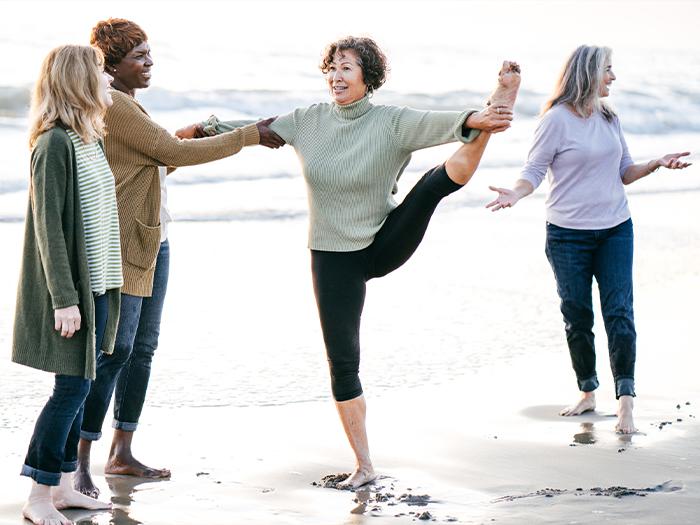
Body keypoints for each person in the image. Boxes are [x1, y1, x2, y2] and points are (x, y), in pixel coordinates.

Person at [186, 36, 520, 488]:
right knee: (342, 361)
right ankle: (364, 466)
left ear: (367, 76)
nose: (337, 77)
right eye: (333, 68)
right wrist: (198, 131)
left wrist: (476, 119)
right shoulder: (307, 121)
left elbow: (439, 122)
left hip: (383, 240)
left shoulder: (392, 122)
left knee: (432, 185)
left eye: (347, 68)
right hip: (332, 256)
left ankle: (494, 115)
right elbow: (253, 128)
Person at [74, 18, 284, 499]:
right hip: (124, 244)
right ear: (112, 63)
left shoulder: (129, 103)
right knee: (114, 352)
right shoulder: (114, 103)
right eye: (140, 56)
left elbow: (154, 158)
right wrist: (250, 134)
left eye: (150, 54)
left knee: (141, 349)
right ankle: (80, 459)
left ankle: (121, 452)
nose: (150, 63)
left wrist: (185, 134)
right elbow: (170, 152)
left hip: (154, 237)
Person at [486, 45, 691, 434]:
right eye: (608, 70)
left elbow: (625, 172)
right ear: (588, 73)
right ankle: (587, 391)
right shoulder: (555, 121)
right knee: (577, 315)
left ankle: (625, 402)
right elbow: (533, 169)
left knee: (619, 312)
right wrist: (516, 192)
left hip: (615, 229)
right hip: (567, 237)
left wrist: (656, 163)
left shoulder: (610, 117)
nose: (613, 77)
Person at [13, 44, 121, 525]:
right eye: (101, 73)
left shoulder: (89, 139)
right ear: (79, 81)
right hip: (72, 292)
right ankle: (37, 496)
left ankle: (61, 488)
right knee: (71, 390)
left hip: (97, 285)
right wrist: (65, 300)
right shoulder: (53, 143)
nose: (109, 81)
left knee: (81, 385)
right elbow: (48, 229)